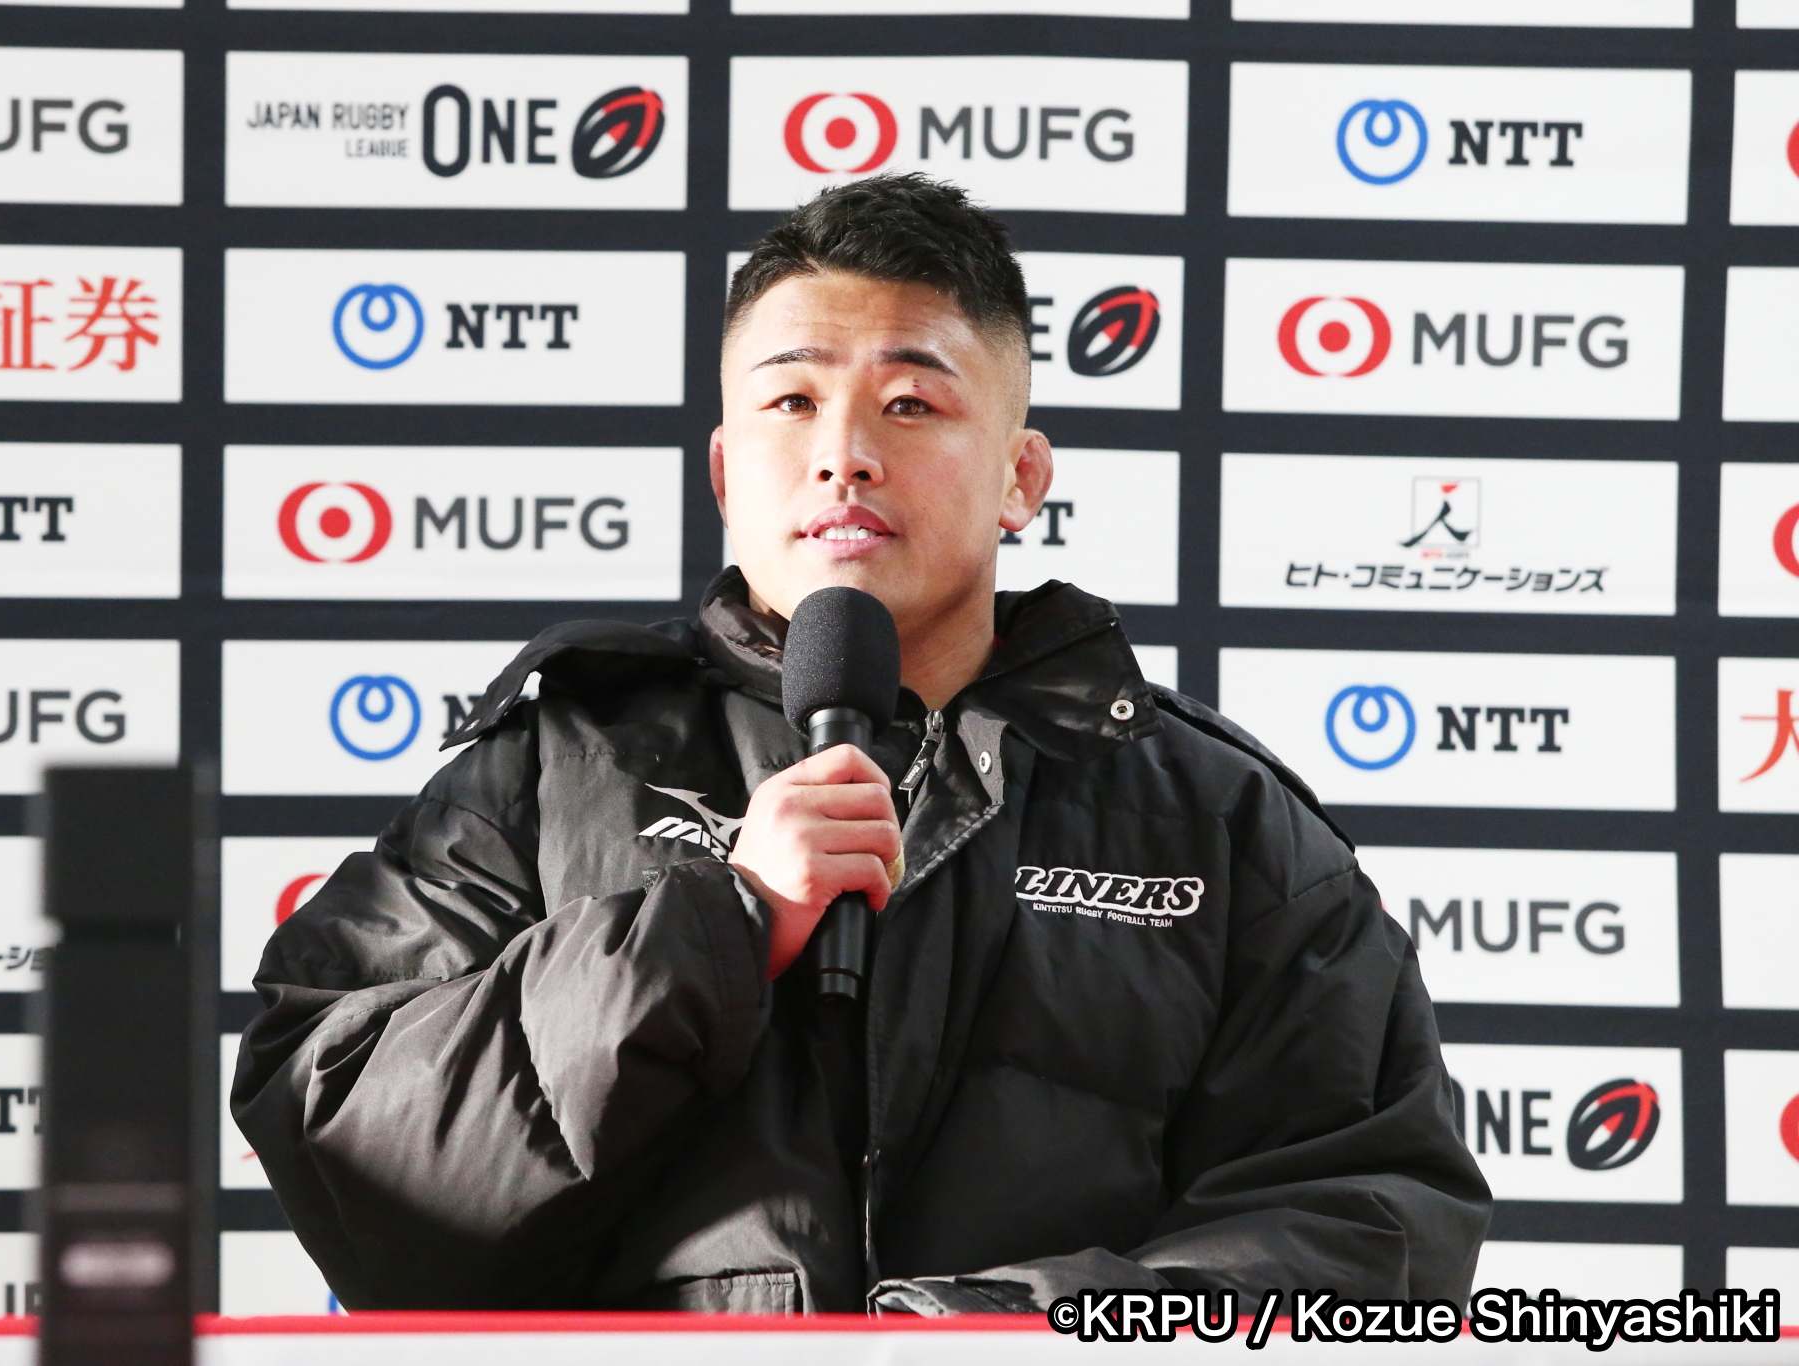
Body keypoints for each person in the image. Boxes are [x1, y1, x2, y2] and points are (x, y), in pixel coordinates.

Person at [229, 170, 1492, 1315]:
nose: (843, 455)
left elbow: (1369, 1220)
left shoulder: (1217, 817)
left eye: (909, 401)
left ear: (1020, 476)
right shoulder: (549, 769)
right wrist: (710, 929)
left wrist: (1001, 1340)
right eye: (792, 401)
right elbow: (348, 1152)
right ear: (726, 472)